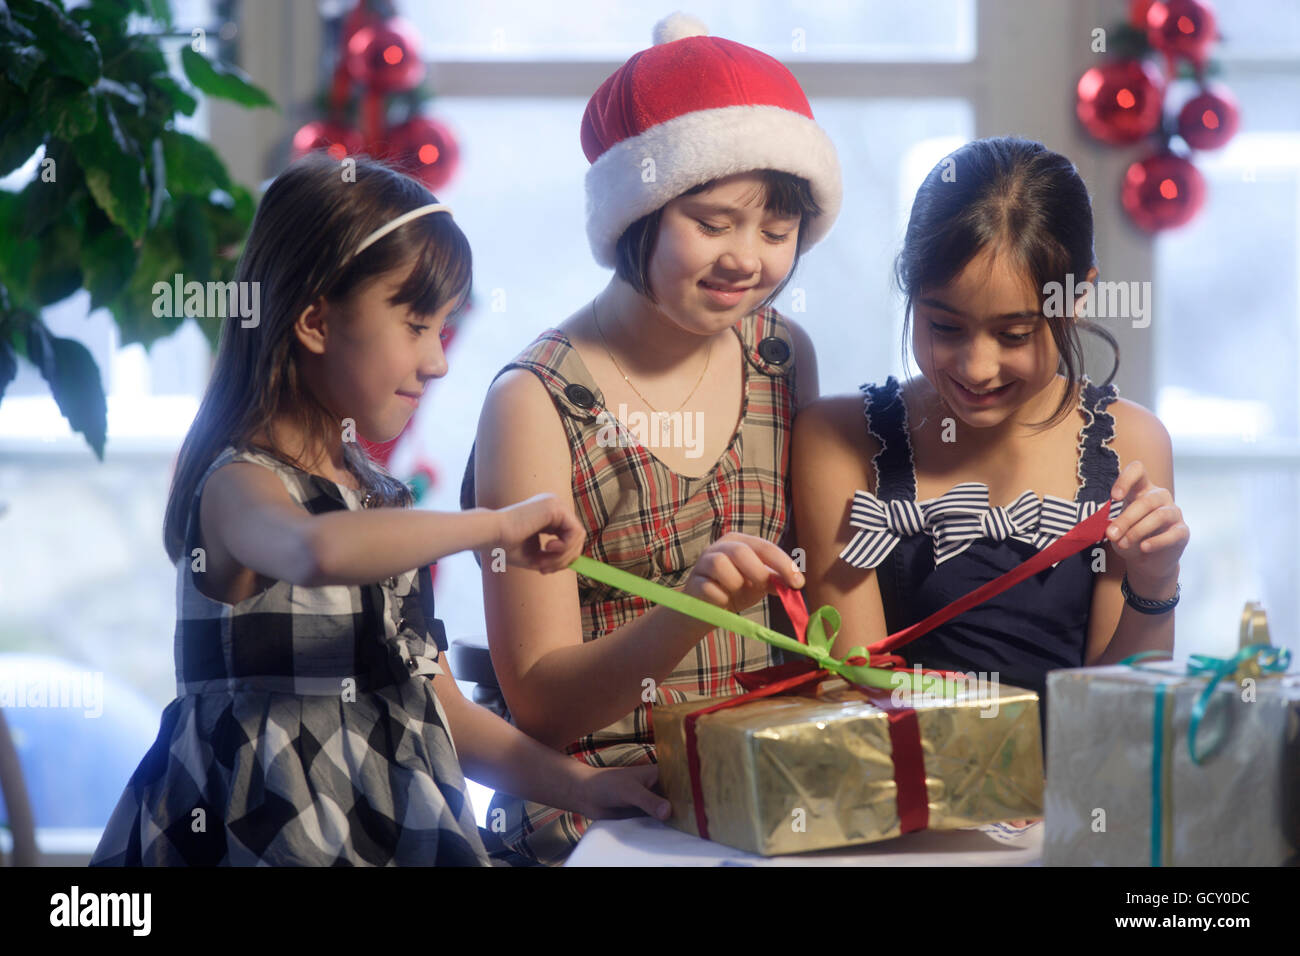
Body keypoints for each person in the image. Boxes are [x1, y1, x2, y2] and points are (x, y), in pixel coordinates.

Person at [90, 154, 668, 867]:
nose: (438, 362)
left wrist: (582, 787)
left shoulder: (378, 501)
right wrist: (493, 526)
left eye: (444, 330)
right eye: (417, 325)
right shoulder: (238, 486)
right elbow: (314, 552)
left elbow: (439, 711)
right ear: (313, 321)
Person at [460, 13, 841, 864]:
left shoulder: (782, 356)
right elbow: (542, 707)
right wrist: (693, 611)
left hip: (760, 788)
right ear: (635, 215)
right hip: (603, 808)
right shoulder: (538, 401)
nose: (748, 258)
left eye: (776, 233)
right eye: (712, 223)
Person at [792, 137, 1188, 734]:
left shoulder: (1129, 443)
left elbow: (1123, 718)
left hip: (1070, 802)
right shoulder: (840, 438)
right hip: (905, 797)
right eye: (945, 326)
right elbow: (858, 706)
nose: (977, 368)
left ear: (1077, 296)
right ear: (909, 288)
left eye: (1014, 334)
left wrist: (1154, 584)